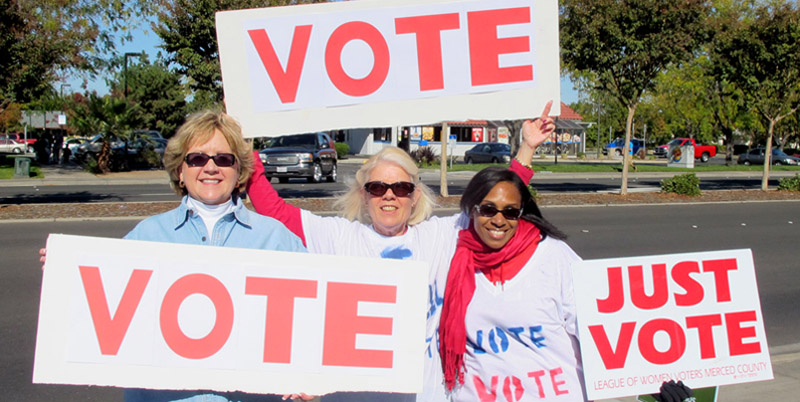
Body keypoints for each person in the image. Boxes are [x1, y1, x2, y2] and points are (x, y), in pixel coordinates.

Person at [245, 102, 557, 402]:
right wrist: (248, 149)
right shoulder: (338, 237)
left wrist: (526, 149)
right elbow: (275, 212)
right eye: (378, 188)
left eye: (402, 188)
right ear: (364, 196)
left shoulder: (438, 236)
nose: (390, 196)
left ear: (415, 195)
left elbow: (495, 205)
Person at [43, 110, 307, 402]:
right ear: (180, 171)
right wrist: (65, 275)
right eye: (197, 159)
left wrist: (312, 381)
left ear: (239, 172)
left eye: (223, 159)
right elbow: (99, 311)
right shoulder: (146, 236)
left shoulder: (277, 239)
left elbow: (315, 321)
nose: (210, 168)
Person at [438, 166, 586, 402]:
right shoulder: (452, 258)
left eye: (510, 212)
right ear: (471, 210)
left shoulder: (555, 257)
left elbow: (597, 333)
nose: (498, 220)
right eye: (488, 210)